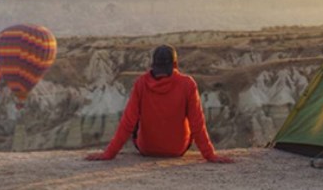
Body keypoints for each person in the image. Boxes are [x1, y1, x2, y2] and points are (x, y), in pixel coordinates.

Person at [85, 44, 233, 163]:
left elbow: (128, 123)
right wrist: (210, 155)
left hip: (146, 149)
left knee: (135, 121)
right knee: (188, 122)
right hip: (177, 150)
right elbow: (197, 124)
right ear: (175, 64)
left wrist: (109, 154)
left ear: (153, 64)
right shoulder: (188, 84)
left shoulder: (141, 83)